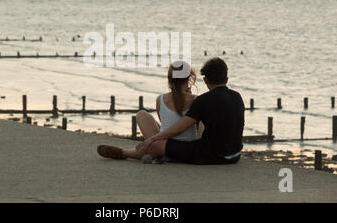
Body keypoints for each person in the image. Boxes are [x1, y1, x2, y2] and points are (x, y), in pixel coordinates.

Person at [97, 57, 245, 165]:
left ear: (205, 80)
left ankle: (124, 153)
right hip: (235, 154)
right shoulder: (237, 96)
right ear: (226, 79)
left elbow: (181, 127)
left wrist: (154, 138)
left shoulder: (202, 100)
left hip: (213, 155)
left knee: (156, 146)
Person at [97, 61, 201, 160]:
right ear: (189, 79)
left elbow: (166, 124)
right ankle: (126, 153)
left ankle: (125, 153)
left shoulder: (160, 99)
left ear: (169, 79)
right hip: (186, 148)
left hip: (163, 147)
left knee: (141, 114)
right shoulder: (197, 100)